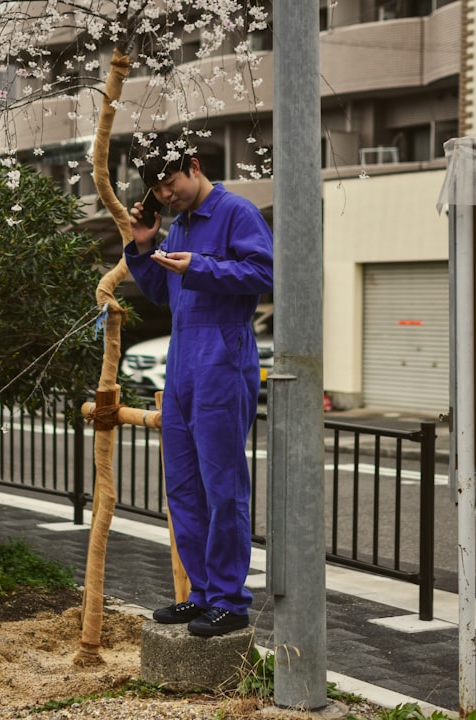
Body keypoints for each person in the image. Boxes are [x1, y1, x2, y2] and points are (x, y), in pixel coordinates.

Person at [124, 131, 273, 637]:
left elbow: (265, 273)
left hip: (223, 355)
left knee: (222, 484)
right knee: (183, 484)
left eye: (170, 184)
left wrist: (201, 267)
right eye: (158, 191)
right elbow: (165, 294)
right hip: (183, 356)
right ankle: (201, 593)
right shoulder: (180, 227)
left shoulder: (237, 212)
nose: (166, 196)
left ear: (193, 165)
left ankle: (230, 599)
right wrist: (145, 248)